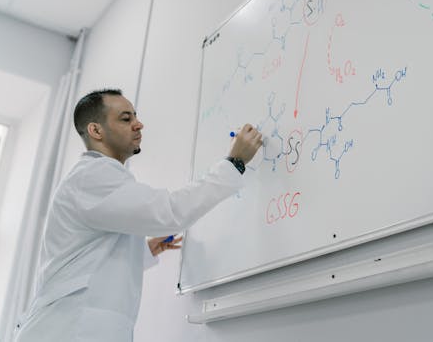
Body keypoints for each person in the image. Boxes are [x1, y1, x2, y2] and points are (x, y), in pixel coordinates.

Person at [15, 89, 262, 342]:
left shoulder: (96, 179)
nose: (138, 124)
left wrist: (145, 250)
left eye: (136, 116)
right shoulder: (93, 177)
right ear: (96, 131)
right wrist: (234, 164)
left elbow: (87, 260)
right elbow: (170, 211)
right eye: (125, 118)